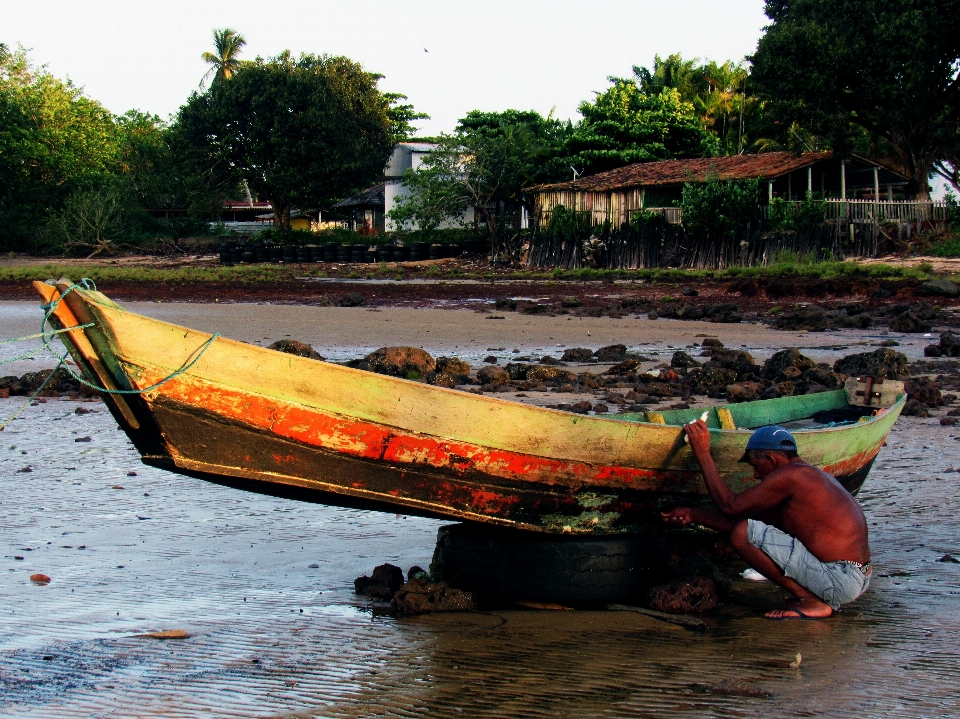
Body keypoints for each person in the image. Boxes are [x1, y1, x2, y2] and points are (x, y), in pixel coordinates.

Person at [661, 421, 871, 619]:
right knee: (744, 531)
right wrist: (694, 515)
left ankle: (810, 600)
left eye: (755, 465)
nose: (755, 475)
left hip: (839, 579)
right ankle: (814, 597)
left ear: (771, 460)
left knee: (742, 531)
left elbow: (730, 507)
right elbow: (748, 528)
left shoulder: (792, 476)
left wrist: (702, 452)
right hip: (855, 578)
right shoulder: (810, 476)